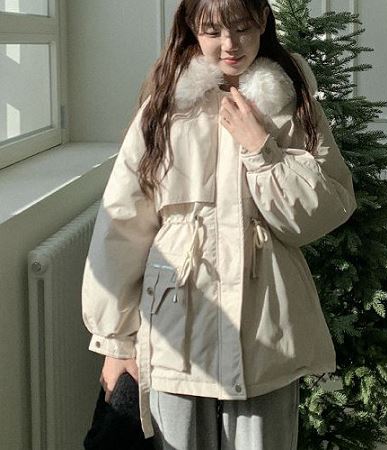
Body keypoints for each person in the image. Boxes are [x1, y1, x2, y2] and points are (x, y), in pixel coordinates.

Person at [81, 0, 357, 448]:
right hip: (175, 327)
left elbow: (322, 211)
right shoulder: (165, 105)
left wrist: (261, 150)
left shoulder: (291, 101)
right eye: (213, 31)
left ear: (263, 21)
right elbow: (123, 222)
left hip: (266, 331)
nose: (230, 44)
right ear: (192, 28)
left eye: (242, 28)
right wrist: (114, 342)